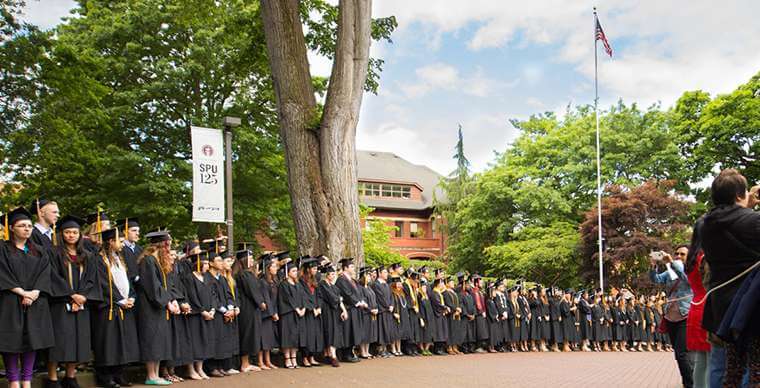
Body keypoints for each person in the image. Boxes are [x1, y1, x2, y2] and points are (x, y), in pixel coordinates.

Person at [700, 169, 759, 387]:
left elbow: (732, 220)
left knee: (723, 367)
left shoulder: (705, 224)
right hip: (751, 305)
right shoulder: (753, 221)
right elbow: (745, 223)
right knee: (754, 367)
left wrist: (747, 205)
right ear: (738, 195)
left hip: (720, 305)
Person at [0, 207, 55, 388]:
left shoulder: (39, 251)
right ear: (12, 228)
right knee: (11, 343)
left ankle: (27, 381)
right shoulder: (3, 250)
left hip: (35, 301)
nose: (27, 229)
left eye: (30, 226)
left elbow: (45, 273)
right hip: (9, 301)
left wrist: (34, 293)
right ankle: (14, 382)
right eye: (22, 225)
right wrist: (21, 292)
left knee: (33, 341)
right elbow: (2, 273)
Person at [45, 215, 100, 388]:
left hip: (82, 305)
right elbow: (53, 277)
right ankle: (52, 378)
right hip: (60, 304)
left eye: (75, 232)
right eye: (67, 232)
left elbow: (92, 279)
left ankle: (70, 377)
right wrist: (71, 295)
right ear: (61, 234)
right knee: (60, 342)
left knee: (78, 341)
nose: (71, 235)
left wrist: (83, 296)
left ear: (79, 234)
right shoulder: (53, 253)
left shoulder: (88, 256)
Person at [90, 228, 139, 388]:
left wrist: (131, 296)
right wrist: (119, 300)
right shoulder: (99, 259)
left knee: (122, 342)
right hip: (108, 307)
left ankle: (119, 374)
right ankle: (105, 376)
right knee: (108, 343)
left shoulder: (119, 258)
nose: (122, 243)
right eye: (120, 240)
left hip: (124, 307)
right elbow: (103, 283)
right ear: (111, 241)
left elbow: (128, 280)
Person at [649, 245, 695, 387]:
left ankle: (690, 384)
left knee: (682, 354)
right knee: (678, 355)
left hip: (685, 315)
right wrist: (653, 265)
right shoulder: (669, 272)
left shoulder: (691, 270)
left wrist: (670, 263)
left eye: (682, 254)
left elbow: (685, 279)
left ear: (689, 257)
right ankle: (688, 381)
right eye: (676, 253)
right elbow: (655, 279)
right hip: (670, 316)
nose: (678, 256)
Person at [136, 230, 176, 386]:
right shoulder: (148, 261)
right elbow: (153, 287)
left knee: (159, 340)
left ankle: (156, 374)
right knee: (152, 340)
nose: (170, 246)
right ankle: (151, 375)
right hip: (149, 307)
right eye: (168, 243)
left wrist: (170, 300)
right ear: (162, 244)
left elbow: (164, 285)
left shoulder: (157, 261)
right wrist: (167, 302)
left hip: (158, 306)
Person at [180, 251, 213, 380]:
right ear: (197, 264)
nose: (207, 266)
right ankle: (191, 370)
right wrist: (202, 310)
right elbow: (192, 297)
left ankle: (200, 369)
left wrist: (212, 310)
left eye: (207, 263)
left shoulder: (207, 278)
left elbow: (213, 295)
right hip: (195, 315)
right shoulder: (189, 278)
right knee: (194, 342)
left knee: (204, 342)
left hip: (207, 314)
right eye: (204, 263)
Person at [234, 249, 265, 373]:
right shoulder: (243, 275)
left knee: (251, 334)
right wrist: (261, 302)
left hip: (251, 308)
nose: (252, 260)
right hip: (247, 308)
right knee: (247, 334)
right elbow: (252, 291)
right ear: (244, 260)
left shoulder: (248, 273)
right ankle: (244, 364)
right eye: (250, 258)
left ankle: (247, 363)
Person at [335, 258, 366, 362]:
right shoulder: (341, 279)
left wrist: (361, 300)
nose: (353, 268)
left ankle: (351, 352)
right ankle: (346, 354)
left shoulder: (352, 280)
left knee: (354, 332)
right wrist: (357, 302)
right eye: (351, 267)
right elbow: (346, 293)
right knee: (348, 332)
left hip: (355, 309)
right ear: (345, 268)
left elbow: (358, 292)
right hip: (348, 308)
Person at [316, 264, 346, 367]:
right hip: (327, 311)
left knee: (335, 332)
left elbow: (338, 298)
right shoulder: (322, 284)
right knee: (329, 332)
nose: (333, 276)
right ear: (327, 275)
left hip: (335, 312)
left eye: (334, 274)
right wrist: (339, 300)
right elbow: (332, 298)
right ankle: (332, 356)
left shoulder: (334, 287)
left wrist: (344, 310)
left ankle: (330, 354)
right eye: (332, 274)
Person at [278, 259, 304, 369]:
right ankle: (287, 359)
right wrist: (297, 309)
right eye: (293, 271)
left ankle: (294, 358)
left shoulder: (298, 284)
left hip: (297, 314)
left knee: (295, 337)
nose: (296, 273)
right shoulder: (284, 284)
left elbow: (302, 297)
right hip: (287, 314)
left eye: (296, 271)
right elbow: (288, 299)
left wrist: (303, 308)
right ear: (287, 272)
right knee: (287, 337)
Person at [298, 257, 323, 367]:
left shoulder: (314, 281)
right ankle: (305, 358)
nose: (316, 270)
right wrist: (311, 308)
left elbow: (319, 296)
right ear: (308, 269)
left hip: (316, 312)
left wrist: (319, 307)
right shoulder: (301, 282)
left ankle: (312, 357)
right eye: (314, 268)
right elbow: (303, 297)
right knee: (307, 336)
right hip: (307, 313)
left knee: (315, 335)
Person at [258, 255, 279, 370]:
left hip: (272, 313)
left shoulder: (274, 281)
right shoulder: (263, 282)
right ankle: (261, 362)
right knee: (263, 339)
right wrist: (272, 313)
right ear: (268, 268)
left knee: (269, 339)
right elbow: (266, 299)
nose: (276, 268)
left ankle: (268, 361)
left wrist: (275, 312)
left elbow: (275, 300)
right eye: (274, 266)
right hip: (265, 314)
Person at [370, 265, 393, 358]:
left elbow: (391, 297)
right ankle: (380, 350)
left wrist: (392, 305)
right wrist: (387, 306)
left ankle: (385, 349)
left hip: (388, 310)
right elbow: (380, 298)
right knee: (382, 330)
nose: (387, 274)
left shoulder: (386, 284)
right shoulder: (376, 284)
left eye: (387, 272)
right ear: (379, 273)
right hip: (382, 310)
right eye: (384, 272)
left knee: (387, 330)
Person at [117, 218, 141, 282]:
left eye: (138, 231)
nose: (137, 233)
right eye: (134, 230)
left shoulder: (140, 249)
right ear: (125, 232)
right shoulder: (119, 249)